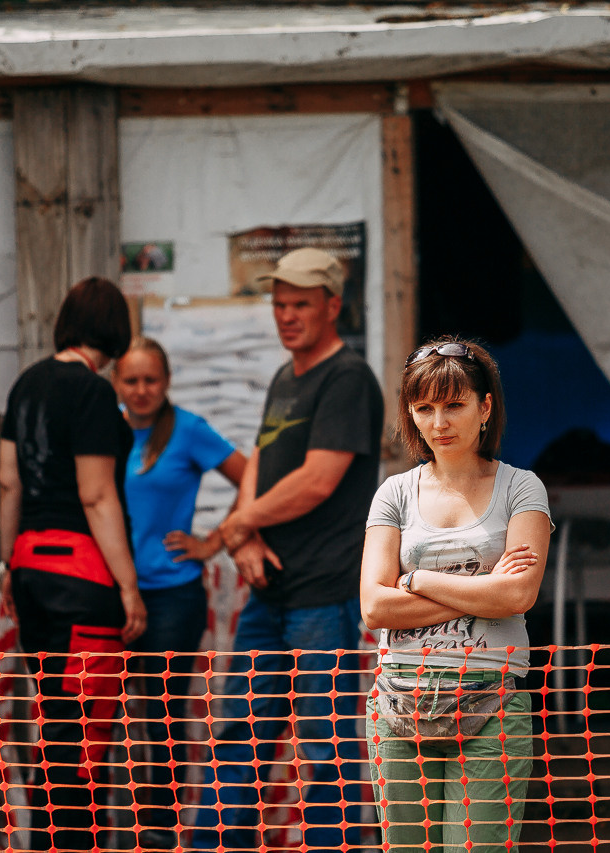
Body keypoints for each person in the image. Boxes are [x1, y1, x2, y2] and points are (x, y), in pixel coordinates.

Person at [188, 247, 383, 852]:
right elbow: (262, 462)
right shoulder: (285, 376)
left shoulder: (347, 378)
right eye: (278, 305)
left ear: (333, 306)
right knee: (238, 740)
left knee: (325, 747)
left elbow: (317, 480)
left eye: (300, 304)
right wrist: (245, 534)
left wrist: (235, 526)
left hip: (323, 593)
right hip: (269, 592)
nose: (287, 316)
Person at [360, 337, 552, 853]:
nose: (439, 422)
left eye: (454, 405)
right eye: (423, 408)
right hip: (399, 702)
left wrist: (416, 581)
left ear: (485, 406)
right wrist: (483, 588)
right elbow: (374, 607)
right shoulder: (395, 492)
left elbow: (519, 595)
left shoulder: (521, 488)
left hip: (492, 700)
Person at [0, 276, 146, 852]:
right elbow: (96, 494)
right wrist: (129, 588)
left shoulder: (25, 385)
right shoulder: (90, 392)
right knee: (83, 746)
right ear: (115, 331)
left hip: (31, 568)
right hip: (81, 579)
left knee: (55, 732)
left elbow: (9, 482)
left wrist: (11, 565)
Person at [111, 336, 247, 846]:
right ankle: (113, 832)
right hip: (112, 594)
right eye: (131, 380)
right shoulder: (105, 431)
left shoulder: (188, 430)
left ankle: (160, 836)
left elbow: (247, 473)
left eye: (151, 380)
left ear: (166, 382)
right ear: (116, 383)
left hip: (173, 597)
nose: (142, 390)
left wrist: (212, 542)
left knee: (159, 716)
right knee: (108, 716)